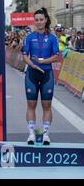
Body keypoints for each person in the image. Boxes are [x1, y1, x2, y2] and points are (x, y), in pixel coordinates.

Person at [22, 8, 59, 146]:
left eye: (41, 20)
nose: (38, 22)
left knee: (46, 105)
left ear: (46, 20)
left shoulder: (53, 37)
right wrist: (34, 65)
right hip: (32, 73)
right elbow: (25, 55)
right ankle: (31, 134)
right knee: (31, 104)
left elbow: (56, 56)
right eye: (36, 20)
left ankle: (46, 135)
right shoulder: (29, 37)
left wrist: (43, 62)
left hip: (47, 74)